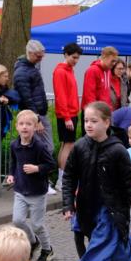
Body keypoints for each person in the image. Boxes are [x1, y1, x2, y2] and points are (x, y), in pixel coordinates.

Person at [61, 102, 131, 261]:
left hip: (111, 208)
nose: (88, 125)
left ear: (107, 122)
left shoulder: (118, 150)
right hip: (87, 206)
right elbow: (69, 176)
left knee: (100, 245)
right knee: (92, 241)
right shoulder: (80, 146)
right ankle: (130, 255)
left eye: (94, 121)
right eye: (86, 121)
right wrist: (67, 204)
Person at [6, 110, 57, 261]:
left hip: (37, 192)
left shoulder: (40, 147)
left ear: (35, 127)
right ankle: (33, 241)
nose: (25, 127)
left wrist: (37, 168)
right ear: (16, 127)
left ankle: (47, 249)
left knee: (37, 224)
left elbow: (51, 165)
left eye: (29, 124)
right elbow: (14, 162)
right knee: (17, 220)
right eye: (21, 124)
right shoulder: (14, 145)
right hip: (20, 190)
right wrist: (11, 175)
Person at [12, 39, 51, 151]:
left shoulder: (31, 68)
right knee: (43, 149)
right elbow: (27, 98)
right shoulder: (22, 72)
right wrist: (37, 118)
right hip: (34, 115)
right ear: (30, 53)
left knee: (42, 148)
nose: (40, 59)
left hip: (38, 113)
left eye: (42, 56)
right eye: (38, 56)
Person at [53, 42, 81, 185]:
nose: (75, 61)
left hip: (70, 113)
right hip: (67, 114)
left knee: (66, 144)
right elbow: (61, 95)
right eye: (73, 58)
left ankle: (61, 177)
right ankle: (62, 179)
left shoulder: (68, 70)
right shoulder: (61, 71)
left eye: (77, 58)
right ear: (66, 55)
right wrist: (66, 117)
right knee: (68, 144)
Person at [81, 46, 120, 124]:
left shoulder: (108, 71)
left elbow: (106, 93)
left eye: (115, 61)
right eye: (112, 61)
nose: (114, 64)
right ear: (104, 57)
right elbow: (89, 95)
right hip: (93, 112)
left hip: (103, 112)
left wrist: (109, 109)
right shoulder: (92, 70)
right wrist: (94, 113)